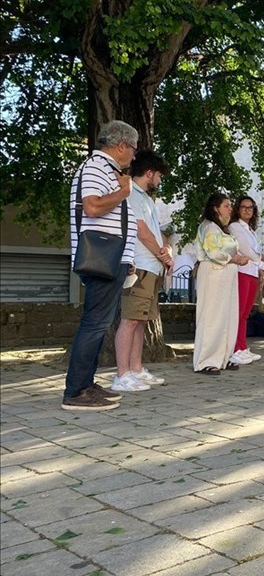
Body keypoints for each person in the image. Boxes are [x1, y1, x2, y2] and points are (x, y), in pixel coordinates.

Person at [63, 120, 139, 410]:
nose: (133, 155)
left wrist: (127, 257)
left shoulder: (106, 170)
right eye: (132, 149)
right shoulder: (97, 167)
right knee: (95, 324)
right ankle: (76, 391)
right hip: (103, 259)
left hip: (112, 258)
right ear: (121, 145)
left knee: (100, 323)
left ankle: (86, 384)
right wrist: (123, 192)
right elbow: (93, 206)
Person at [113, 151, 173, 392]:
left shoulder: (147, 199)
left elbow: (156, 231)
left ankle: (135, 369)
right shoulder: (131, 195)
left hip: (151, 267)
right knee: (129, 320)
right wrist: (163, 253)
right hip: (138, 266)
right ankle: (122, 374)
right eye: (159, 175)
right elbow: (140, 230)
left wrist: (165, 251)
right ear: (149, 173)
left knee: (140, 322)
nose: (159, 180)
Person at [193, 193, 249, 374]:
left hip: (227, 275)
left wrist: (237, 259)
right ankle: (206, 360)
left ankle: (224, 357)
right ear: (215, 208)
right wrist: (235, 259)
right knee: (212, 316)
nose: (230, 208)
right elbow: (214, 252)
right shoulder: (209, 227)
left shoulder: (223, 230)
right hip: (214, 273)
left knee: (228, 315)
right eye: (226, 205)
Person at [228, 195, 264, 364]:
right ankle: (236, 348)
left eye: (250, 207)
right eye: (243, 207)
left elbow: (257, 252)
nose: (247, 210)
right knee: (238, 312)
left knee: (245, 313)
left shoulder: (251, 230)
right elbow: (246, 249)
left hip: (252, 272)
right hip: (241, 271)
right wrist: (262, 263)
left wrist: (262, 273)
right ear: (237, 209)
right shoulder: (235, 226)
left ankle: (242, 346)